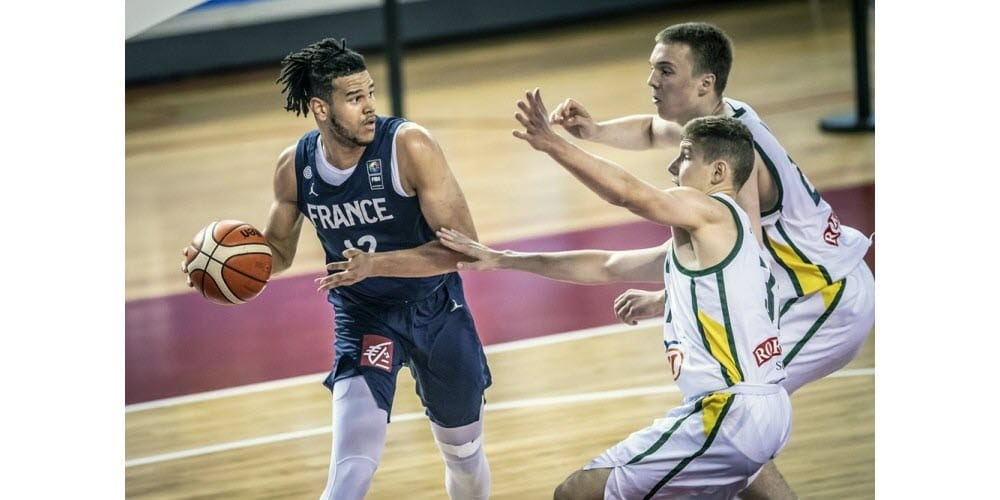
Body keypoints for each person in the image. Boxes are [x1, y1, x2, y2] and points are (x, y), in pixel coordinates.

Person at [547, 22, 875, 498]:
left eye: (666, 70)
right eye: (653, 69)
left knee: (733, 412)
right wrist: (594, 131)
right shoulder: (720, 122)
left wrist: (668, 297)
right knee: (730, 425)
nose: (652, 81)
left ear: (704, 84)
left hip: (823, 300)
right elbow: (650, 129)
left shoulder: (738, 156)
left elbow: (746, 256)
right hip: (819, 288)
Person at [183, 38, 493, 500]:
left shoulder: (409, 146)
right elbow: (277, 251)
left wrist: (375, 264)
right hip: (365, 319)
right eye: (354, 98)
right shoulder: (295, 166)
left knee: (464, 458)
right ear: (320, 108)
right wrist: (222, 261)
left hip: (435, 310)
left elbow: (467, 251)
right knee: (350, 472)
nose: (369, 107)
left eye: (370, 93)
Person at [442, 93, 792, 498]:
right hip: (769, 411)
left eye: (685, 157)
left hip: (729, 411)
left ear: (718, 171)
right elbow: (606, 266)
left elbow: (629, 194)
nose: (672, 167)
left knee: (575, 494)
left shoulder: (713, 211)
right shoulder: (731, 240)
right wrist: (504, 259)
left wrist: (553, 144)